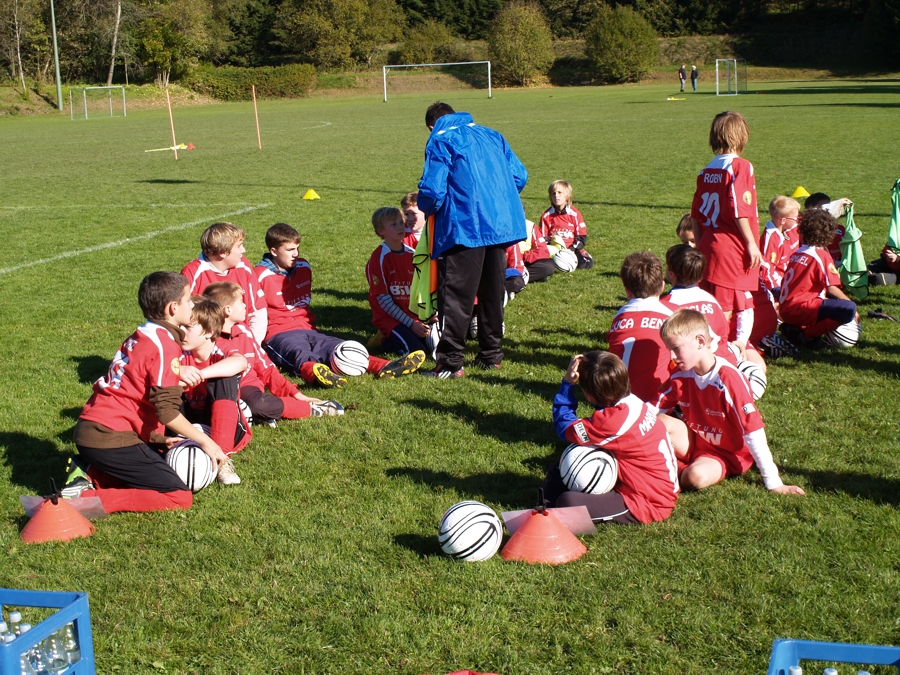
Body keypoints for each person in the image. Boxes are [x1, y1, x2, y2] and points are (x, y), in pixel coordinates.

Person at [64, 272, 229, 513]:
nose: (192, 305)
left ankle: (88, 472)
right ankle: (84, 500)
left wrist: (157, 439)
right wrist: (206, 441)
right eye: (188, 301)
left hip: (96, 429)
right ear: (173, 308)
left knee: (158, 466)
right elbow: (167, 412)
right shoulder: (164, 344)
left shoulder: (144, 333)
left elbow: (133, 395)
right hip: (109, 436)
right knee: (178, 496)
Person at [416, 102, 528, 377]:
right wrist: (495, 200)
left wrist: (427, 208)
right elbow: (519, 175)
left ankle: (450, 362)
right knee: (492, 292)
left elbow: (433, 190)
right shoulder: (493, 135)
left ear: (432, 126)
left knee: (456, 296)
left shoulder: (441, 139)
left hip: (463, 226)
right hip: (499, 226)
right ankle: (491, 355)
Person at [657, 309, 805, 496]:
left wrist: (773, 482)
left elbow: (753, 430)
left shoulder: (728, 379)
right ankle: (653, 468)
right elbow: (654, 409)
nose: (672, 356)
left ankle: (670, 470)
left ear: (700, 341)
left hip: (725, 454)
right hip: (694, 439)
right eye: (669, 349)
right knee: (658, 422)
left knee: (695, 477)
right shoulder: (680, 374)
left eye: (676, 348)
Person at [256, 222, 424, 386]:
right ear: (274, 251)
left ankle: (384, 365)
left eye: (297, 248)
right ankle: (314, 372)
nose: (296, 254)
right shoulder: (259, 276)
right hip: (278, 333)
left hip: (308, 328)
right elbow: (253, 315)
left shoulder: (303, 267)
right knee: (298, 352)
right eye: (290, 250)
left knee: (339, 347)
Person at [540, 351, 680, 525]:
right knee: (561, 466)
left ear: (589, 395)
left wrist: (568, 384)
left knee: (568, 502)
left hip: (647, 501)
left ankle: (545, 520)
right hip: (657, 487)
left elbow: (565, 427)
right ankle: (540, 513)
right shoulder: (632, 402)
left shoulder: (611, 421)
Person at [203, 282, 344, 423]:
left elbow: (266, 369)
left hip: (248, 386)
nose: (245, 305)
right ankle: (260, 414)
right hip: (220, 390)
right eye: (240, 302)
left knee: (257, 404)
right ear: (228, 310)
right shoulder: (207, 338)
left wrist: (297, 395)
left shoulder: (244, 331)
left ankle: (310, 409)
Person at [690, 111, 761, 321]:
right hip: (730, 248)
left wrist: (700, 244)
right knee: (723, 309)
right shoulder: (740, 166)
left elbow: (695, 214)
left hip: (708, 243)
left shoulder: (706, 170)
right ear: (741, 135)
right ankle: (717, 342)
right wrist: (751, 243)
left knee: (707, 305)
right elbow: (739, 208)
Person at [178, 297, 252, 485]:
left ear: (209, 331)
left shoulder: (220, 348)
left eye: (188, 327)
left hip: (225, 425)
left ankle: (222, 460)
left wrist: (200, 374)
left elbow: (240, 362)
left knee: (225, 376)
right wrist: (178, 371)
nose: (181, 332)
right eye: (180, 326)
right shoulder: (177, 350)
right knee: (166, 385)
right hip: (187, 422)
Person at [779, 208, 859, 347]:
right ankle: (806, 335)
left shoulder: (797, 253)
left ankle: (794, 328)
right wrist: (853, 308)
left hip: (786, 308)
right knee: (848, 308)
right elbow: (831, 287)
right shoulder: (820, 255)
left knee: (826, 302)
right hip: (800, 308)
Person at [181, 222, 268, 345]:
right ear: (222, 252)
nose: (244, 250)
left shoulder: (244, 266)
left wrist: (252, 344)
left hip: (242, 341)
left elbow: (257, 311)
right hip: (206, 343)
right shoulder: (192, 274)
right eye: (239, 246)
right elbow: (181, 316)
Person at [606, 252, 673, 403]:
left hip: (615, 400)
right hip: (655, 402)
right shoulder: (669, 317)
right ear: (662, 286)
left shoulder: (620, 316)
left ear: (627, 290)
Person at [366, 207, 433, 356]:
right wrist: (411, 324)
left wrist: (428, 315)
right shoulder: (379, 258)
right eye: (393, 224)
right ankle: (384, 340)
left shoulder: (412, 254)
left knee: (432, 346)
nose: (400, 227)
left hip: (413, 316)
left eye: (401, 222)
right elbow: (382, 299)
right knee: (417, 351)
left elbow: (424, 290)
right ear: (381, 231)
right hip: (389, 318)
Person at [541, 180, 594, 270]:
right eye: (553, 193)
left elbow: (581, 237)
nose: (556, 195)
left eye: (559, 193)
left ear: (567, 196)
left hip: (572, 249)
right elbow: (544, 238)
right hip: (555, 249)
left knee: (585, 264)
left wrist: (571, 249)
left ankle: (584, 255)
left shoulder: (575, 214)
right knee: (547, 265)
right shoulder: (546, 215)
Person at [760, 196, 800, 296]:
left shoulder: (790, 228)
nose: (797, 220)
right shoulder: (771, 239)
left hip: (793, 278)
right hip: (781, 285)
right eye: (795, 218)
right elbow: (767, 270)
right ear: (783, 221)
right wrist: (780, 291)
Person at [805, 192, 852, 263]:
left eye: (829, 206)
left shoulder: (841, 229)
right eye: (825, 207)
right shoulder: (806, 228)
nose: (828, 210)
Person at [521, 216, 556, 283]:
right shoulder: (502, 225)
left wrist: (522, 257)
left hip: (525, 261)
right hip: (506, 262)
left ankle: (516, 277)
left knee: (548, 266)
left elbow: (543, 251)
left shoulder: (530, 226)